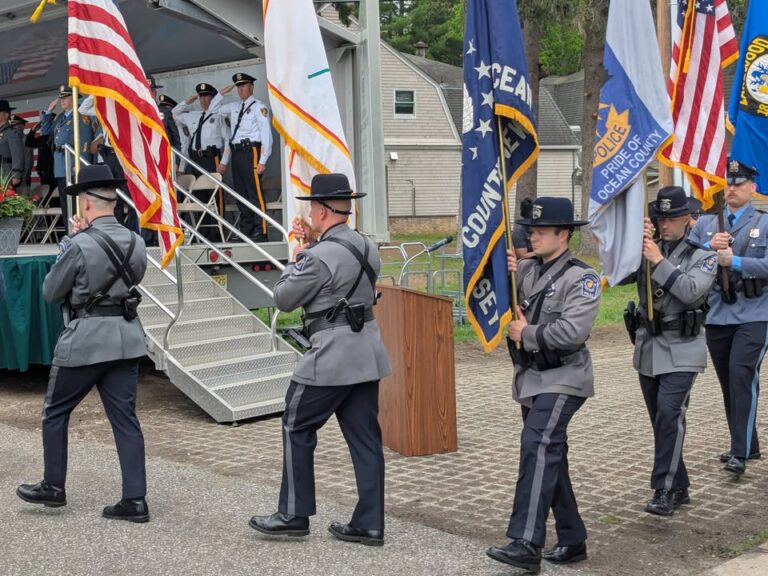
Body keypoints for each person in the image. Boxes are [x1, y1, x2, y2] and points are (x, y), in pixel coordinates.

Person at [249, 173, 391, 546]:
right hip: (366, 351)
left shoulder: (318, 256)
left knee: (296, 423)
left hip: (331, 353)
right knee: (365, 439)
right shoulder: (366, 245)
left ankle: (294, 514)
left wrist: (297, 257)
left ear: (325, 210)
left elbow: (283, 299)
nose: (309, 211)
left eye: (313, 205)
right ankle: (370, 523)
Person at [16, 164, 150, 523]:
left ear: (87, 206)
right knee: (125, 419)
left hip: (86, 340)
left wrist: (70, 246)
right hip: (126, 337)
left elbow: (50, 292)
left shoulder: (78, 244)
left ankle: (53, 487)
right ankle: (135, 500)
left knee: (55, 412)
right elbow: (135, 276)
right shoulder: (137, 241)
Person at [487, 197, 600, 573]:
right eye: (530, 230)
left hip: (565, 376)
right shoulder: (528, 270)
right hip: (532, 378)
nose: (531, 236)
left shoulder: (581, 277)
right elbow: (511, 293)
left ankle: (525, 542)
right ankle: (572, 538)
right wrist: (504, 270)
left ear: (563, 234)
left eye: (539, 231)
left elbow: (573, 331)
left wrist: (527, 331)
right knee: (550, 454)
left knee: (537, 444)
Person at [621, 187, 716, 515]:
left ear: (689, 219)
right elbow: (619, 274)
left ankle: (663, 489)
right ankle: (680, 485)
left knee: (669, 415)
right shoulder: (646, 250)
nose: (666, 225)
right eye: (661, 218)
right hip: (648, 348)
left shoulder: (702, 256)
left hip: (682, 350)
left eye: (673, 218)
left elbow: (690, 292)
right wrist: (629, 245)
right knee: (661, 421)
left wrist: (658, 260)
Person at [689, 159, 768, 475]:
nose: (732, 188)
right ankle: (748, 442)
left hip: (755, 314)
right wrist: (709, 248)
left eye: (739, 183)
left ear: (752, 187)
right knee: (729, 383)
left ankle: (739, 453)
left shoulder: (764, 222)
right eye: (729, 183)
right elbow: (684, 259)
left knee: (741, 376)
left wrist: (734, 261)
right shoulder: (708, 224)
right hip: (718, 314)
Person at [209, 72, 273, 241]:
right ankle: (246, 231)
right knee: (241, 193)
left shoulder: (259, 107)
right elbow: (213, 110)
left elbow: (267, 135)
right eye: (238, 86)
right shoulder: (234, 106)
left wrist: (263, 160)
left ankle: (261, 230)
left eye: (243, 85)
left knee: (254, 193)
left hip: (251, 151)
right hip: (237, 153)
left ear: (251, 87)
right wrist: (221, 94)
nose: (240, 89)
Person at [78, 96, 138, 232]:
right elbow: (83, 109)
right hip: (109, 155)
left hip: (123, 155)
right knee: (112, 192)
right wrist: (96, 92)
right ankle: (118, 228)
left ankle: (133, 230)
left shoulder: (125, 108)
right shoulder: (104, 110)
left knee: (129, 195)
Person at [40, 86, 93, 218]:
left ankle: (77, 234)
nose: (62, 101)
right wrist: (48, 113)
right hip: (60, 166)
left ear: (74, 98)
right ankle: (68, 233)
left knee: (76, 205)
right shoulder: (60, 118)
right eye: (61, 98)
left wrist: (80, 165)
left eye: (66, 98)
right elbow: (46, 132)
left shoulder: (81, 116)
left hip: (73, 164)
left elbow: (85, 142)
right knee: (65, 205)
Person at [0, 99, 24, 190]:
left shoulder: (11, 132)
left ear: (6, 115)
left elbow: (18, 154)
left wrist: (17, 175)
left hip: (6, 173)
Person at [10, 114, 34, 193]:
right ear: (23, 126)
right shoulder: (26, 139)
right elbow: (28, 160)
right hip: (21, 178)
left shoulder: (8, 138)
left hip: (10, 178)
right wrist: (24, 179)